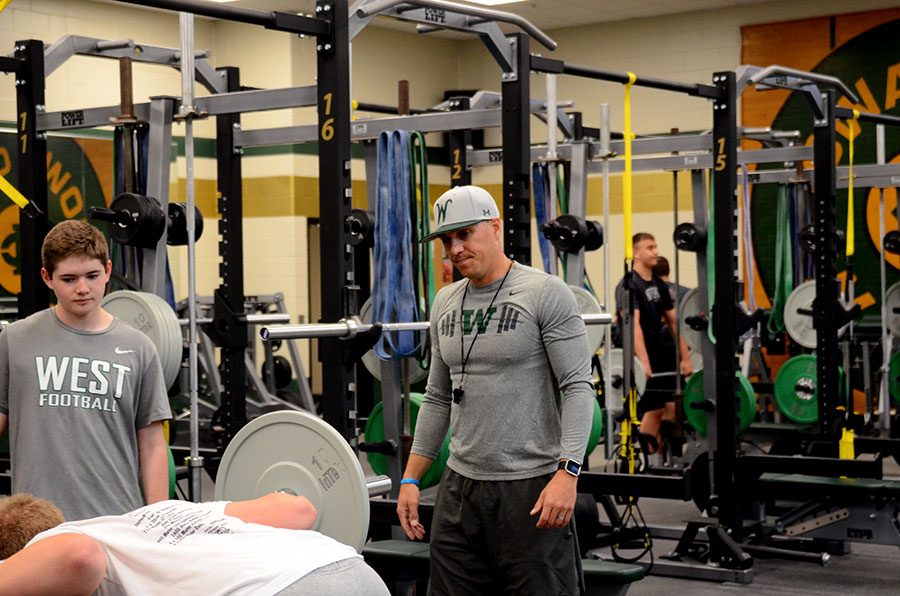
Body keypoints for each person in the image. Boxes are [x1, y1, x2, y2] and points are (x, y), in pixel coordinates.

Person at [397, 185, 595, 595]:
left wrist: (569, 472)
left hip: (530, 486)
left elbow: (578, 387)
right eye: (447, 240)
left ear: (494, 226)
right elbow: (436, 396)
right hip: (459, 488)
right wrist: (411, 479)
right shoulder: (445, 301)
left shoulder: (544, 293)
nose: (455, 249)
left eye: (465, 234)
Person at [0, 220, 172, 521]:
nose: (82, 288)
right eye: (69, 279)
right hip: (37, 523)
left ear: (107, 270)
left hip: (116, 520)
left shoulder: (139, 347)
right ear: (47, 277)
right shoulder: (15, 341)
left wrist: (156, 523)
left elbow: (153, 444)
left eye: (92, 276)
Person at [0, 492, 390, 595]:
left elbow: (77, 557)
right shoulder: (163, 512)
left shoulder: (62, 539)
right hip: (355, 571)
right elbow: (299, 510)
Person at [615, 234, 692, 454]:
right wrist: (644, 363)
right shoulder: (629, 285)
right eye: (650, 248)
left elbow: (674, 323)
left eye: (656, 247)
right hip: (639, 359)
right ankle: (641, 463)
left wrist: (685, 359)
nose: (655, 251)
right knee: (654, 410)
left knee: (673, 405)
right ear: (636, 253)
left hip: (661, 357)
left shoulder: (658, 285)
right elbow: (633, 326)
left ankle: (658, 458)